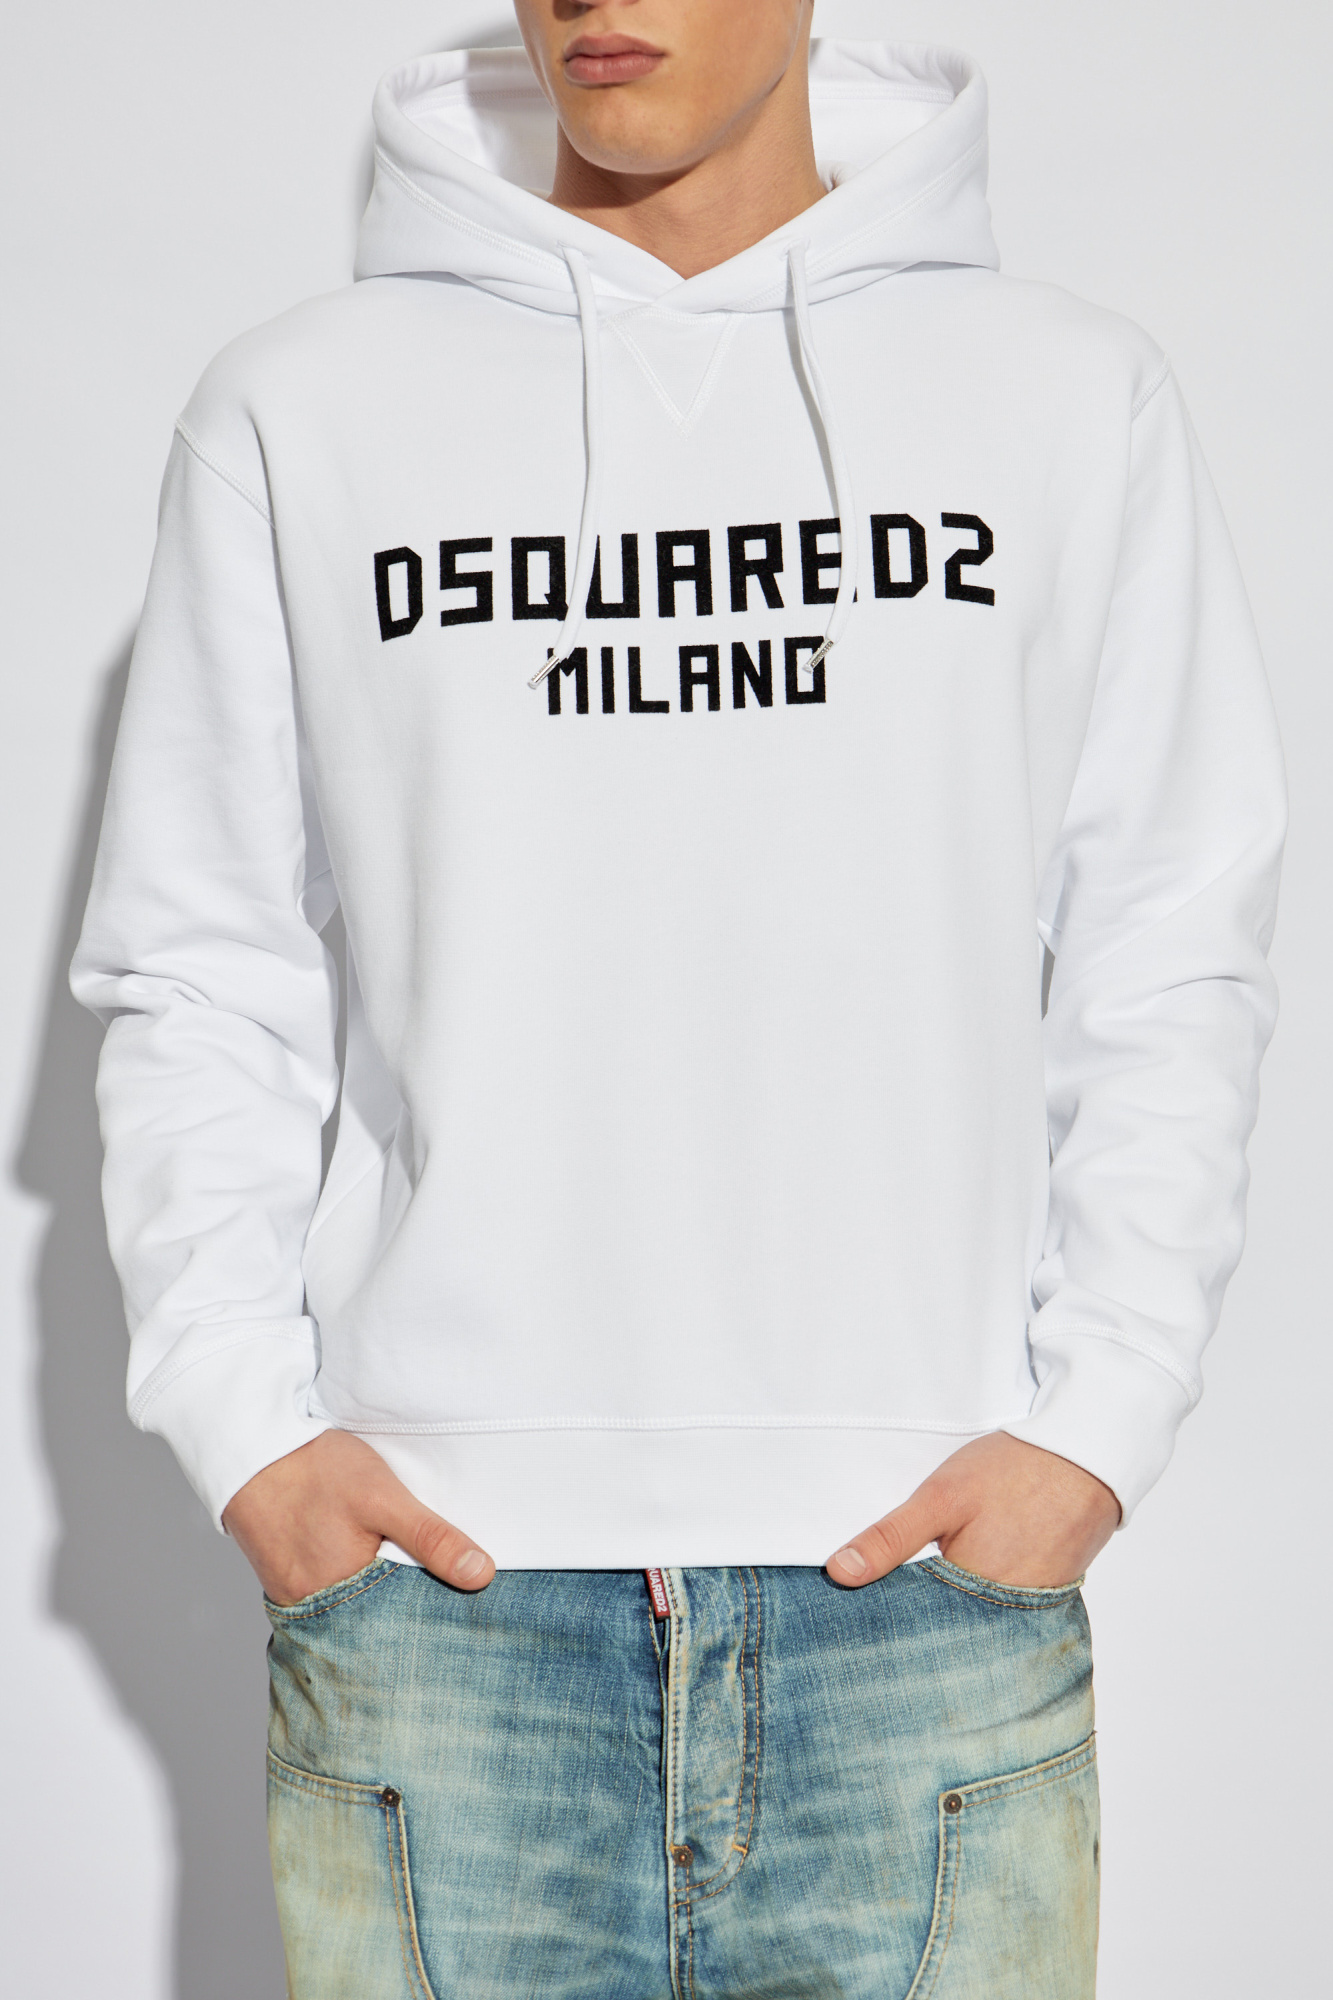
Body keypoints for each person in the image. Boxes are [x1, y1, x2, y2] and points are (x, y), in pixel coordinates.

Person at [72, 3, 1285, 1994]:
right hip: (446, 1613)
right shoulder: (305, 408)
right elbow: (203, 960)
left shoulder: (1064, 398)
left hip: (923, 1600)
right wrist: (243, 1429)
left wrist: (1100, 1421)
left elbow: (1167, 937)